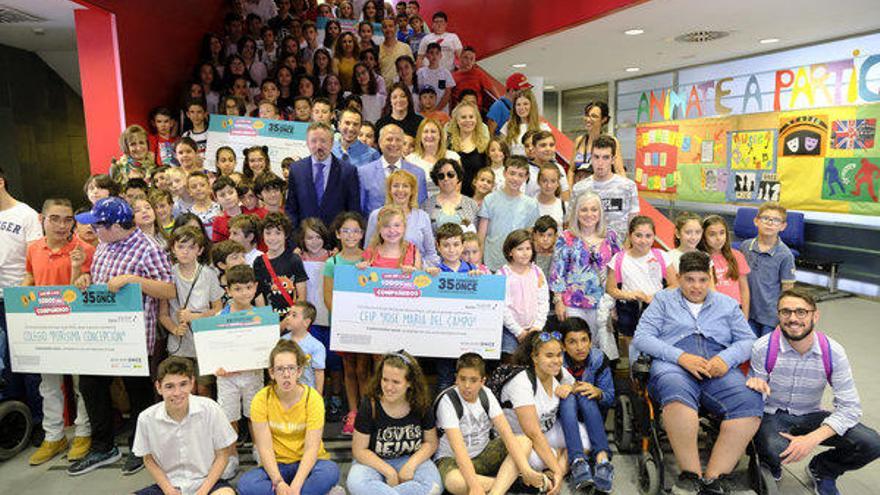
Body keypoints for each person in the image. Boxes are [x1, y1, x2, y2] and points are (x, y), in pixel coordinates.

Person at [632, 251, 762, 494]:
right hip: (674, 362)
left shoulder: (727, 304)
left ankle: (713, 479)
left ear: (710, 278)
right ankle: (691, 476)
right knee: (675, 391)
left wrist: (726, 359)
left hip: (716, 364)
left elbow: (747, 341)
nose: (696, 286)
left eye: (702, 280)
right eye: (690, 280)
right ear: (679, 278)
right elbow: (642, 338)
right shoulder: (663, 300)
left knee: (750, 401)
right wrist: (680, 357)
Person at [70, 197, 175, 476]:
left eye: (98, 225)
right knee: (91, 385)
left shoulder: (149, 248)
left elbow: (169, 291)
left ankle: (140, 448)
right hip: (104, 334)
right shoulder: (104, 245)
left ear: (116, 225)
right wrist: (84, 278)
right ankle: (103, 447)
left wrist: (134, 280)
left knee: (138, 392)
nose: (93, 230)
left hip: (136, 336)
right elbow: (98, 279)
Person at [747, 289, 880, 494]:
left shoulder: (833, 352)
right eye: (786, 312)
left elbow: (850, 408)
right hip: (774, 414)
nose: (793, 319)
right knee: (773, 448)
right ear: (778, 315)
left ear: (814, 315)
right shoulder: (763, 347)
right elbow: (755, 398)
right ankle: (771, 463)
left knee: (871, 443)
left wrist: (812, 438)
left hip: (812, 414)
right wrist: (754, 386)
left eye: (801, 312)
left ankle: (823, 469)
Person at [24, 199, 94, 466]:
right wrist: (20, 296)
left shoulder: (85, 249)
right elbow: (29, 277)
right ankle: (54, 436)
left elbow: (83, 287)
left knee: (81, 385)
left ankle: (83, 433)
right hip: (45, 329)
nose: (62, 225)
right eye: (55, 218)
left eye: (67, 220)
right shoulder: (33, 248)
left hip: (78, 328)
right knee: (49, 385)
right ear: (42, 218)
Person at [237, 340, 341, 495]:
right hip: (277, 465)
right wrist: (278, 482)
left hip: (309, 464)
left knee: (330, 471)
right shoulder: (261, 399)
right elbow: (264, 447)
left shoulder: (312, 398)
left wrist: (296, 485)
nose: (286, 374)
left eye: (291, 368)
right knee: (246, 484)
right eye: (280, 369)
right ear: (271, 373)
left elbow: (312, 448)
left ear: (299, 371)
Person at [434, 353, 544, 495]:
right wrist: (473, 485)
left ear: (482, 381)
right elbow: (459, 449)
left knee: (524, 441)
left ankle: (496, 492)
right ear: (456, 378)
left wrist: (526, 470)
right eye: (462, 379)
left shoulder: (486, 394)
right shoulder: (447, 401)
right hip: (453, 459)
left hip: (483, 453)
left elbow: (506, 434)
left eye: (473, 380)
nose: (467, 386)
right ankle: (514, 483)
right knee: (455, 482)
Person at [131, 356, 236, 495]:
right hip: (169, 485)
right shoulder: (146, 418)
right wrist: (168, 490)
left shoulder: (211, 408)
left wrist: (202, 492)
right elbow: (148, 459)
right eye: (169, 386)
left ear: (192, 383)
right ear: (158, 387)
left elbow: (223, 455)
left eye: (183, 384)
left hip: (207, 482)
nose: (177, 392)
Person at [500, 331, 588, 495]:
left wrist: (570, 387)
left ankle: (550, 477)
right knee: (536, 461)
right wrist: (558, 468)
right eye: (549, 355)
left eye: (559, 355)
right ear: (535, 357)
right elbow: (532, 433)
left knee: (585, 439)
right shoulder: (522, 381)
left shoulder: (557, 371)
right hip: (520, 440)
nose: (556, 361)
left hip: (545, 433)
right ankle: (554, 470)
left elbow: (576, 385)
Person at [347, 351, 442, 495]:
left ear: (409, 382)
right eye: (385, 379)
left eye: (396, 382)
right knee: (356, 482)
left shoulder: (421, 404)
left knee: (434, 486)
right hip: (374, 462)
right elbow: (359, 450)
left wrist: (411, 465)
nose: (389, 387)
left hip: (411, 459)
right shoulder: (369, 405)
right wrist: (389, 472)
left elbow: (431, 443)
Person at [550, 192, 621, 360]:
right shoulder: (566, 237)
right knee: (575, 348)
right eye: (584, 210)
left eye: (594, 210)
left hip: (603, 303)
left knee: (600, 350)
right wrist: (558, 300)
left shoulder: (610, 236)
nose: (589, 214)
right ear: (576, 212)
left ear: (600, 212)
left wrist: (615, 303)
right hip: (573, 303)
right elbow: (557, 270)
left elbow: (617, 272)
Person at [158, 226, 223, 397]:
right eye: (180, 246)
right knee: (185, 390)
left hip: (203, 342)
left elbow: (218, 309)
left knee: (203, 389)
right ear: (173, 248)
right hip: (178, 344)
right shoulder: (167, 275)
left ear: (200, 250)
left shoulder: (208, 274)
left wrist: (197, 316)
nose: (185, 252)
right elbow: (163, 314)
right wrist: (174, 329)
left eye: (191, 247)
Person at [323, 212, 369, 436]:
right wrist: (345, 321)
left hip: (367, 324)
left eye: (356, 231)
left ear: (362, 234)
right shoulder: (332, 262)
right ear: (338, 234)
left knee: (364, 369)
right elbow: (328, 298)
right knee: (349, 369)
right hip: (343, 325)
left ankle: (367, 411)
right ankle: (353, 412)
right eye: (346, 231)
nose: (351, 235)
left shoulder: (369, 259)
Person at [606, 216, 677, 357]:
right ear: (630, 236)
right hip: (628, 307)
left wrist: (655, 296)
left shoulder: (662, 256)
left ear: (654, 237)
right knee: (632, 346)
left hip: (656, 306)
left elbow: (675, 284)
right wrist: (629, 295)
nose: (643, 240)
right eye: (638, 235)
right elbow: (611, 288)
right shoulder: (619, 259)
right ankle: (634, 374)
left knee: (654, 344)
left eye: (648, 236)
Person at [559, 317, 615, 493]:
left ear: (591, 341)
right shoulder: (556, 360)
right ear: (563, 345)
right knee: (568, 397)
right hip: (562, 419)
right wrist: (560, 390)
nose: (580, 347)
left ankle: (602, 460)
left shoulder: (598, 359)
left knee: (585, 393)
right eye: (572, 342)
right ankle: (578, 462)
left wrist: (598, 392)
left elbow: (610, 397)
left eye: (584, 340)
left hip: (593, 415)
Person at [286, 122, 361, 228]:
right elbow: (291, 209)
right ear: (307, 143)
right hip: (305, 239)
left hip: (335, 239)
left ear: (332, 143)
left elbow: (353, 211)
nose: (318, 146)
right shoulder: (296, 170)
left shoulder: (348, 171)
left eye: (323, 141)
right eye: (313, 141)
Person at [741, 202, 796, 337]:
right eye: (765, 218)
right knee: (747, 348)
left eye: (776, 220)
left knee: (766, 350)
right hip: (747, 311)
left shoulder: (785, 255)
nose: (770, 223)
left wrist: (783, 319)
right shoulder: (745, 247)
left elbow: (787, 290)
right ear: (756, 221)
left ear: (783, 226)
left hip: (770, 317)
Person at [569, 135, 639, 241]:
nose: (600, 163)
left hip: (619, 249)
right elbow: (572, 222)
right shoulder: (579, 189)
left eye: (605, 157)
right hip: (587, 250)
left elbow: (634, 223)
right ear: (591, 158)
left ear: (613, 160)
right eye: (596, 157)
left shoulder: (628, 187)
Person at [477, 156, 540, 272]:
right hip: (491, 263)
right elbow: (481, 236)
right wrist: (478, 264)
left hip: (517, 265)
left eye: (521, 175)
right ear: (505, 173)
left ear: (526, 177)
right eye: (512, 173)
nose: (515, 178)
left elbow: (530, 238)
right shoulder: (490, 199)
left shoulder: (531, 204)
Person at [365, 169, 438, 265]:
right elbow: (368, 249)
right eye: (395, 186)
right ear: (389, 190)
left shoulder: (423, 217)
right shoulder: (376, 215)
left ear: (412, 190)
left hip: (415, 274)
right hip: (381, 275)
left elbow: (431, 254)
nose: (400, 190)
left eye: (405, 186)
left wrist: (417, 267)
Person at [497, 229, 549, 358]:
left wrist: (537, 327)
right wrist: (518, 331)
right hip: (510, 331)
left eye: (528, 248)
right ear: (510, 252)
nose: (525, 253)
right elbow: (502, 307)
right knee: (511, 363)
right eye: (520, 249)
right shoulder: (502, 274)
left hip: (535, 329)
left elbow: (543, 302)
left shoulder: (538, 272)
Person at [358, 124, 428, 216]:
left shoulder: (418, 174)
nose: (394, 144)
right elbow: (359, 211)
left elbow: (420, 209)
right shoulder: (363, 173)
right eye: (389, 139)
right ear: (379, 142)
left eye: (398, 140)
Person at [253, 212, 308, 319]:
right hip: (269, 319)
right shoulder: (259, 262)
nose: (272, 238)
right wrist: (265, 319)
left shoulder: (294, 260)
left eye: (278, 233)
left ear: (286, 235)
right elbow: (258, 295)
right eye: (268, 233)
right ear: (262, 235)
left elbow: (302, 295)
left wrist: (291, 318)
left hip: (291, 319)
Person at [700, 215, 750, 318]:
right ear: (704, 236)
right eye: (712, 234)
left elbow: (744, 290)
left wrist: (744, 317)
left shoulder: (737, 255)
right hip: (712, 312)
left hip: (735, 310)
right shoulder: (701, 257)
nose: (718, 238)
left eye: (722, 233)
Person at [569, 102, 626, 184]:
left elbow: (619, 171)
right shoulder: (579, 141)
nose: (588, 119)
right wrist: (570, 191)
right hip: (581, 192)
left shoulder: (611, 142)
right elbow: (571, 171)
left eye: (594, 116)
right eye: (587, 115)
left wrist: (626, 189)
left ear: (603, 119)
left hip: (603, 190)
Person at [421, 158, 479, 232]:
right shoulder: (426, 205)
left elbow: (476, 236)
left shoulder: (471, 204)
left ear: (458, 177)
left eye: (450, 175)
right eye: (441, 176)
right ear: (436, 180)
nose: (446, 179)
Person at [280, 301, 326, 394]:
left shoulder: (316, 346)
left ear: (306, 322)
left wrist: (318, 398)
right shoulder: (282, 341)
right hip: (284, 394)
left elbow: (319, 373)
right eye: (288, 314)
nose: (288, 318)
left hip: (306, 394)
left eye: (294, 315)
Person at [407, 118, 460, 197]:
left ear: (440, 135)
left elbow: (457, 188)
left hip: (447, 205)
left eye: (433, 131)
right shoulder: (410, 160)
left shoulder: (453, 157)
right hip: (419, 206)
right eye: (425, 132)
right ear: (420, 136)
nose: (429, 135)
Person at [501, 91, 549, 157]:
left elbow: (547, 154)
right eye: (518, 104)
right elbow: (502, 151)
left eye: (525, 104)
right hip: (513, 165)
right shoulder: (507, 126)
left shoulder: (543, 128)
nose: (521, 108)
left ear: (532, 106)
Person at [528, 131, 571, 202]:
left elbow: (565, 195)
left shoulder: (559, 168)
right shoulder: (526, 169)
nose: (548, 149)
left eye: (551, 145)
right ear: (533, 148)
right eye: (543, 145)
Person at [416, 42, 455, 113]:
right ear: (427, 55)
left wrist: (436, 110)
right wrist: (425, 110)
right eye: (431, 53)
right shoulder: (421, 72)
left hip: (442, 111)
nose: (434, 56)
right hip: (425, 111)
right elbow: (418, 92)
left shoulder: (445, 73)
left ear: (441, 55)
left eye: (437, 53)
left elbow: (447, 94)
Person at [187, 171, 223, 239]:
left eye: (202, 185)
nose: (198, 189)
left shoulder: (221, 207)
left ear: (209, 187)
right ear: (189, 191)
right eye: (194, 187)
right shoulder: (189, 215)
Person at [378, 18, 413, 84]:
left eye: (391, 26)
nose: (388, 29)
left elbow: (411, 68)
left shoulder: (405, 47)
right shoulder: (377, 49)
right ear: (381, 30)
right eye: (385, 27)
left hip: (403, 89)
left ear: (396, 28)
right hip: (385, 89)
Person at [210, 176, 244, 243]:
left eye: (231, 192)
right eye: (222, 195)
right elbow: (218, 247)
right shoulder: (218, 221)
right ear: (216, 199)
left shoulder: (250, 212)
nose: (228, 198)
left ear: (237, 192)